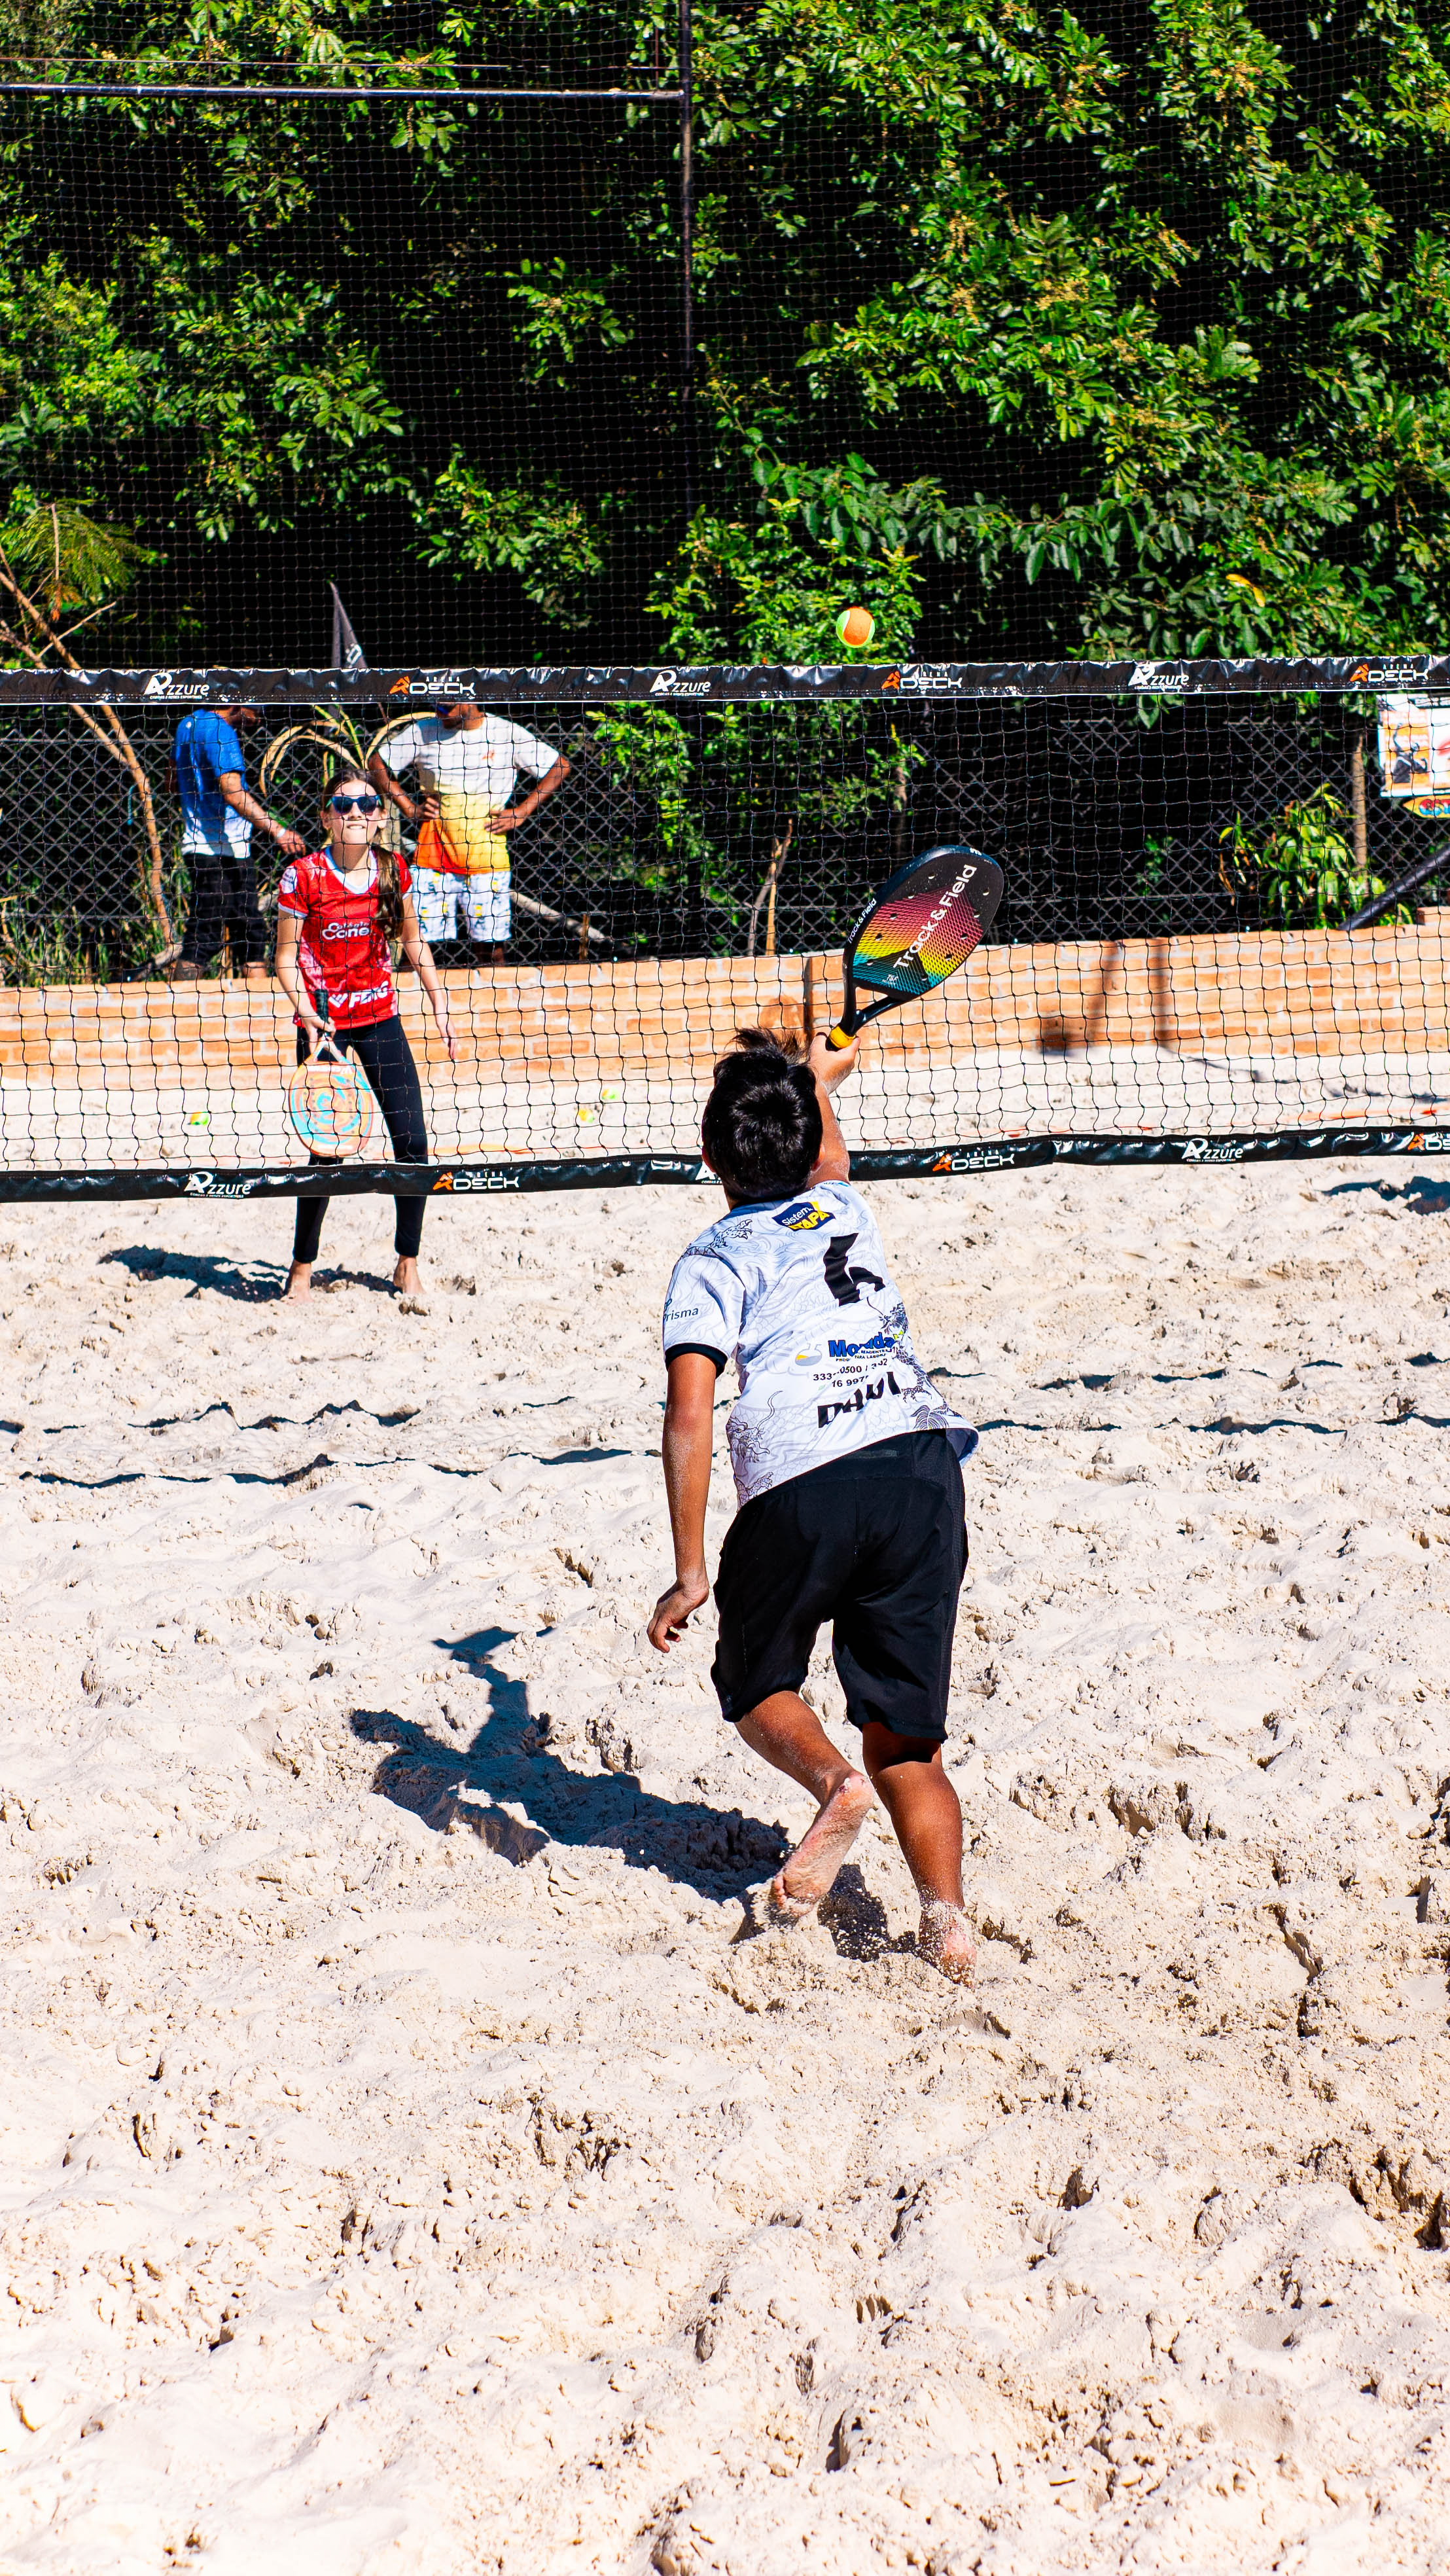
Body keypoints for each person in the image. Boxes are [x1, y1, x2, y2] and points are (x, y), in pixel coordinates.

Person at [647, 1029, 979, 1982]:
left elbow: (689, 1415)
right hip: (922, 1468)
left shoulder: (709, 1257)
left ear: (707, 1156)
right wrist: (819, 1076)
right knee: (907, 1743)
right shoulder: (844, 1204)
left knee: (754, 1687)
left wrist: (689, 1568)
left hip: (803, 1476)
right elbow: (823, 1146)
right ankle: (947, 1922)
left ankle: (832, 1785)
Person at [273, 767, 457, 1302]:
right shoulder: (302, 876)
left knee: (413, 1144)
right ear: (327, 816)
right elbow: (284, 958)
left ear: (380, 817)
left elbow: (412, 941)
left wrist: (438, 999)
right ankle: (302, 1270)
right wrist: (306, 1013)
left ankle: (407, 1262)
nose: (355, 812)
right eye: (343, 804)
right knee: (326, 1152)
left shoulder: (393, 869)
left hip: (380, 1016)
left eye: (367, 803)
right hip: (324, 1025)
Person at [368, 700, 571, 964]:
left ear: (469, 699)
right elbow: (377, 762)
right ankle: (413, 1005)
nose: (440, 711)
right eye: (436, 704)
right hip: (432, 859)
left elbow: (560, 766)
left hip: (486, 859)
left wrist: (521, 812)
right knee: (416, 948)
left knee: (490, 949)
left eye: (447, 705)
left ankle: (495, 1004)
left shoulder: (505, 733)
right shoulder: (424, 731)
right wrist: (410, 808)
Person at [171, 706, 305, 982]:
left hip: (217, 847)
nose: (261, 715)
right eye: (259, 707)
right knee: (206, 934)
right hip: (216, 849)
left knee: (250, 930)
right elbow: (232, 792)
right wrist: (278, 831)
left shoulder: (187, 724)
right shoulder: (222, 731)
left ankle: (258, 1011)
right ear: (238, 703)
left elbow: (171, 781)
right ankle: (177, 1009)